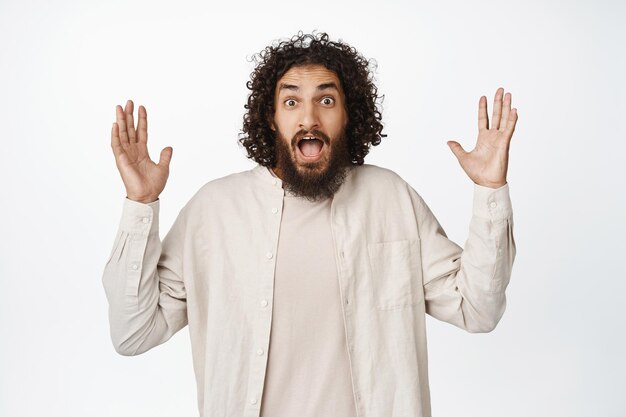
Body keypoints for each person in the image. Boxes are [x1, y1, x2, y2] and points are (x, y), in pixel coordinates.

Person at [102, 32, 518, 417]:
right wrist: (141, 204)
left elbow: (477, 309)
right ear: (270, 118)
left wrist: (490, 190)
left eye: (326, 100)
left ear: (348, 115)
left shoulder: (390, 198)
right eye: (291, 102)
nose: (308, 118)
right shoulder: (214, 211)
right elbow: (134, 333)